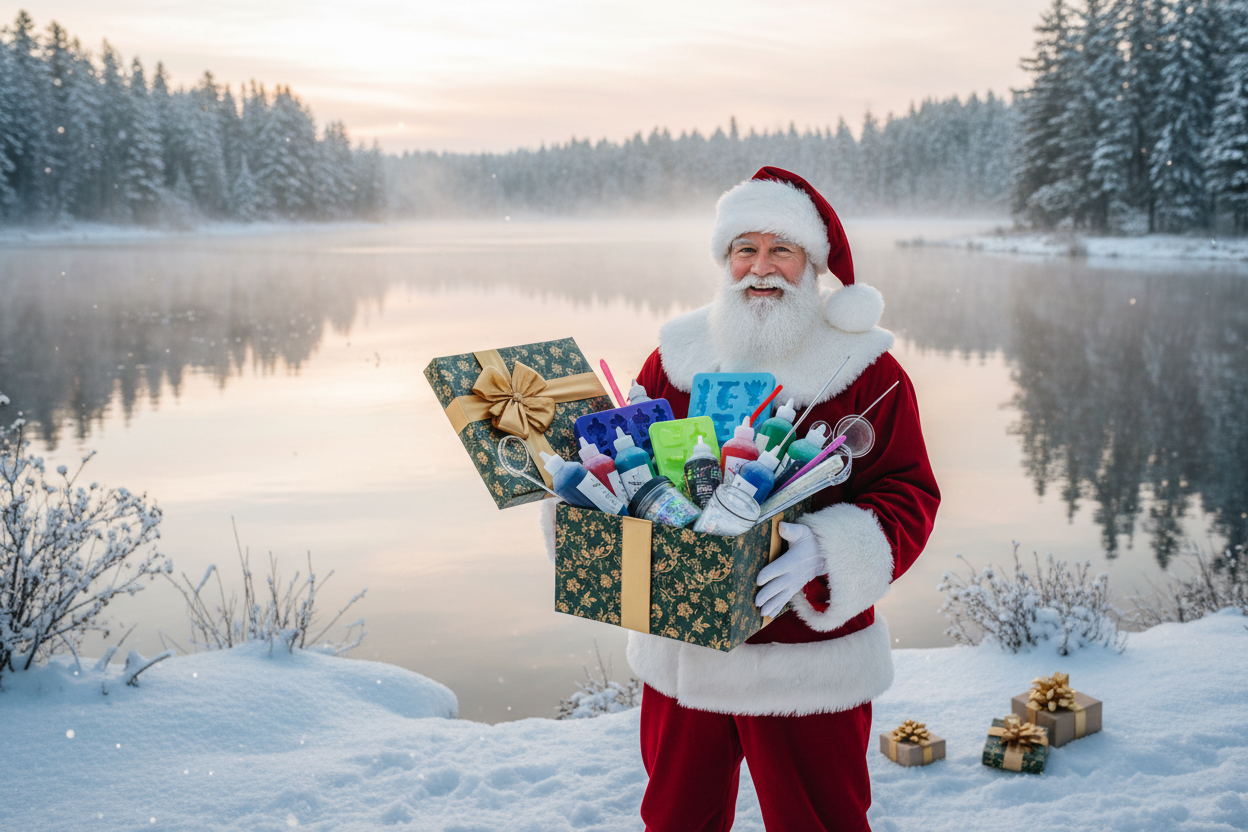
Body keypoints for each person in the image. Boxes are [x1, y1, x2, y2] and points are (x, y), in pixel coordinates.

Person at [628, 167, 940, 831]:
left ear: (811, 264)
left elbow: (909, 491)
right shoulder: (674, 360)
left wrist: (825, 554)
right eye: (745, 249)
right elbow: (627, 467)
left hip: (806, 660)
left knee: (819, 820)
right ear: (724, 261)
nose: (760, 268)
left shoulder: (865, 369)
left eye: (781, 250)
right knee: (676, 818)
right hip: (686, 645)